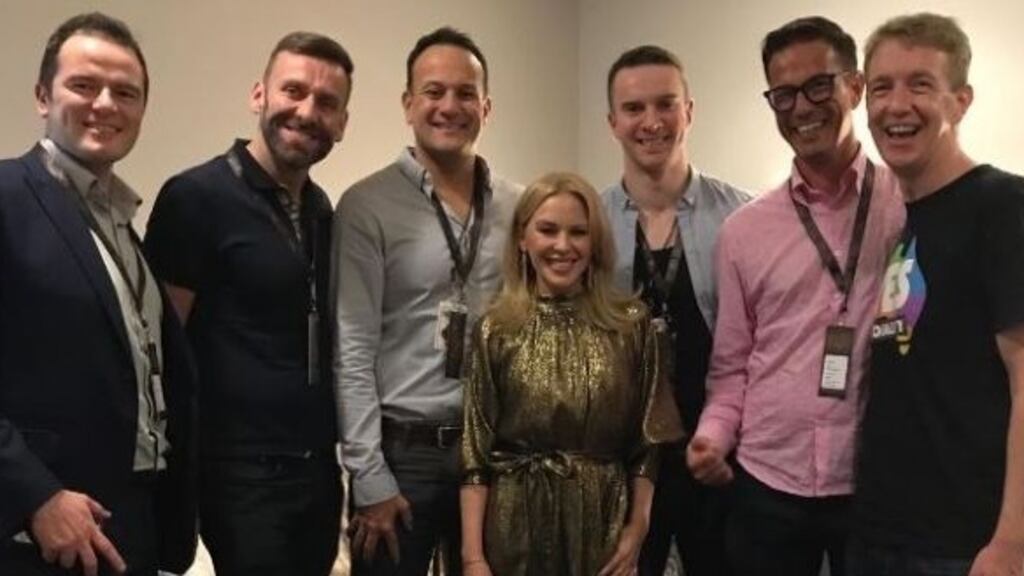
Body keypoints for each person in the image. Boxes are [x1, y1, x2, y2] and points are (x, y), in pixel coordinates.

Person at [686, 16, 904, 576]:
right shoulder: (745, 230)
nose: (801, 107)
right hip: (768, 483)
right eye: (783, 94)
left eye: (818, 86)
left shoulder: (905, 207)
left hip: (875, 482)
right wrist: (712, 436)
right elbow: (732, 366)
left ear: (854, 87)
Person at [144, 32, 352, 576]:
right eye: (294, 90)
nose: (307, 112)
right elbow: (162, 349)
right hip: (240, 475)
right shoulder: (195, 198)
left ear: (342, 123)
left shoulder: (321, 210)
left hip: (316, 472)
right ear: (259, 94)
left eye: (327, 103)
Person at [0, 12, 197, 576]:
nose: (106, 104)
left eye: (125, 93)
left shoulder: (122, 225)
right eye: (84, 85)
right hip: (38, 533)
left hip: (129, 522)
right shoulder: (7, 200)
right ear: (43, 95)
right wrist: (34, 496)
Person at [333, 26, 519, 576]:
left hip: (493, 449)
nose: (449, 106)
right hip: (402, 454)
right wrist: (368, 475)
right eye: (434, 92)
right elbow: (353, 346)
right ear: (408, 104)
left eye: (465, 93)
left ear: (485, 105)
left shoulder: (519, 204)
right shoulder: (366, 206)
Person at [850, 13, 1024, 576]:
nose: (896, 105)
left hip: (964, 547)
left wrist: (1011, 544)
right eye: (881, 87)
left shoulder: (1004, 206)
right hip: (883, 535)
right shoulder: (907, 220)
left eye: (920, 84)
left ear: (961, 100)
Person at [459, 171, 684, 576]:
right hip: (514, 522)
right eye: (547, 230)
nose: (563, 245)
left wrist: (638, 526)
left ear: (595, 242)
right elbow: (475, 452)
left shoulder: (631, 326)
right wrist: (473, 557)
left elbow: (647, 446)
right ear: (523, 240)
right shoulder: (496, 329)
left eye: (578, 232)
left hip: (602, 520)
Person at [601, 44, 749, 576]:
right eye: (634, 109)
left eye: (666, 105)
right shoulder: (587, 224)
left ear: (689, 111)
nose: (651, 122)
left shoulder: (744, 217)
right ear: (613, 121)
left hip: (719, 459)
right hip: (623, 463)